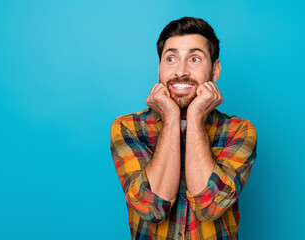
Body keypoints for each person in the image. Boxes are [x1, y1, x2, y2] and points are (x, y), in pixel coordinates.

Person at [110, 16, 257, 240]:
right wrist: (171, 117)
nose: (181, 71)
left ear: (215, 70)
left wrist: (196, 117)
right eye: (170, 59)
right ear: (159, 68)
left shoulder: (239, 131)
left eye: (195, 59)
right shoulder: (128, 128)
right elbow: (153, 208)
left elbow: (209, 207)